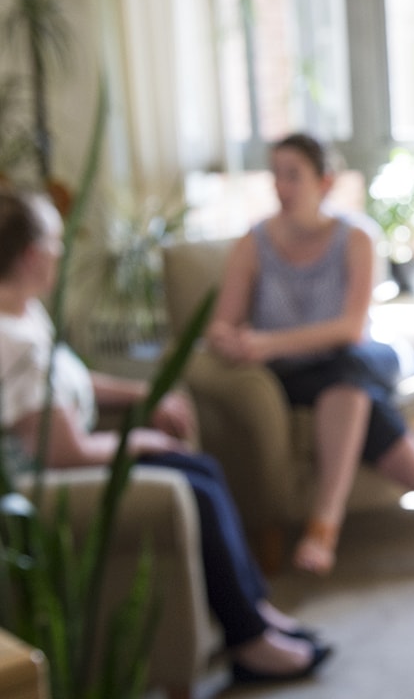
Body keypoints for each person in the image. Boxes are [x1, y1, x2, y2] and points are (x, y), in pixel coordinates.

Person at [0, 187, 332, 686]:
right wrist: (143, 442)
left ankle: (255, 612)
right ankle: (250, 640)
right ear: (30, 254)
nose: (61, 249)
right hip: (41, 483)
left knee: (203, 469)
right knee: (194, 486)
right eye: (55, 239)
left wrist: (145, 395)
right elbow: (63, 451)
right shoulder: (12, 340)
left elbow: (69, 381)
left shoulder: (24, 311)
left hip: (70, 457)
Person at [207, 132, 414, 579]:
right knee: (360, 402)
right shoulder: (253, 243)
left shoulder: (356, 236)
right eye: (276, 176)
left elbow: (351, 329)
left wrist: (267, 343)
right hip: (300, 374)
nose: (281, 187)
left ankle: (324, 525)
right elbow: (220, 326)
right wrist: (232, 341)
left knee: (349, 370)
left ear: (325, 182)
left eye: (293, 176)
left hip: (364, 354)